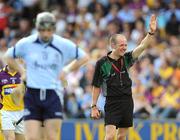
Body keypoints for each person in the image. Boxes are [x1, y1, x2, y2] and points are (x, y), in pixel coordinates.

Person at [4, 11, 89, 140]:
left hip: (53, 94)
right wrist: (22, 71)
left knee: (52, 137)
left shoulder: (62, 44)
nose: (45, 34)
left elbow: (84, 57)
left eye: (49, 30)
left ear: (53, 29)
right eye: (42, 30)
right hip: (32, 94)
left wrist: (66, 70)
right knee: (32, 138)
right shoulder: (27, 43)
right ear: (38, 28)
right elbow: (8, 56)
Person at [90, 14, 157, 140]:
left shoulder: (126, 58)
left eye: (126, 45)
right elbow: (96, 85)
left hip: (127, 101)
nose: (125, 48)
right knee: (109, 136)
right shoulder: (102, 63)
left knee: (121, 136)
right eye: (122, 45)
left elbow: (142, 46)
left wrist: (151, 33)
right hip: (112, 102)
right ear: (113, 46)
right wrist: (94, 106)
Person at [0, 65, 25, 140]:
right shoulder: (1, 74)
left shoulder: (24, 74)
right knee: (10, 138)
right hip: (6, 112)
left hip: (21, 113)